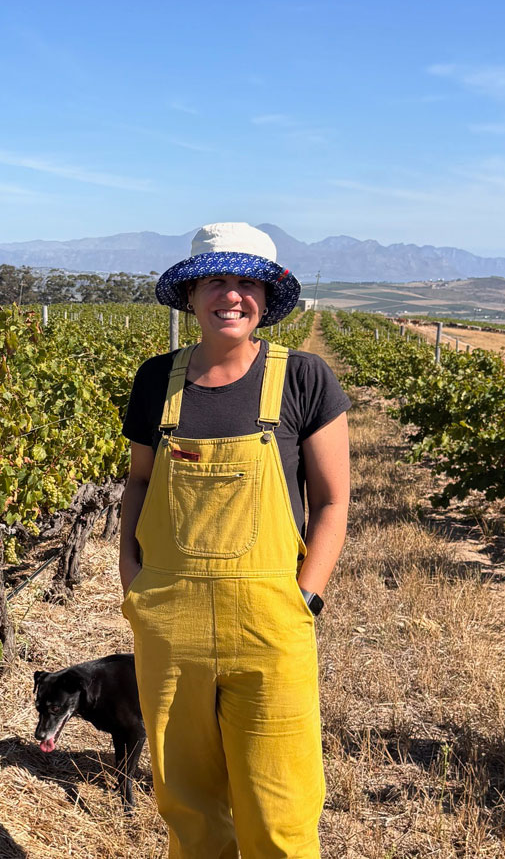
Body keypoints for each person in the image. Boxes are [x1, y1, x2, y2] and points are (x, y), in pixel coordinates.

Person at [118, 222, 350, 858]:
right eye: (216, 280)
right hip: (169, 622)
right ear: (191, 295)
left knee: (281, 810)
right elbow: (138, 484)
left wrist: (307, 597)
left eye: (247, 281)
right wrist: (132, 579)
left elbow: (332, 500)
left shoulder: (304, 379)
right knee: (187, 806)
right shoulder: (155, 380)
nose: (232, 295)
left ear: (265, 298)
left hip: (272, 622)